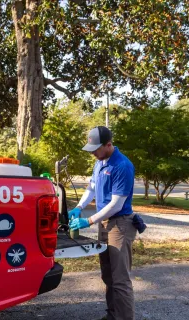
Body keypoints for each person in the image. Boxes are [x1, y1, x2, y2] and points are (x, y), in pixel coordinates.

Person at [69, 126, 137, 320]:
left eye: (96, 149)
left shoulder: (122, 166)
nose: (93, 154)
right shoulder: (100, 162)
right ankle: (112, 315)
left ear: (109, 144)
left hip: (120, 224)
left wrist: (88, 220)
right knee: (107, 275)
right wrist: (79, 207)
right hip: (104, 223)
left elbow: (116, 204)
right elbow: (91, 187)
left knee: (120, 279)